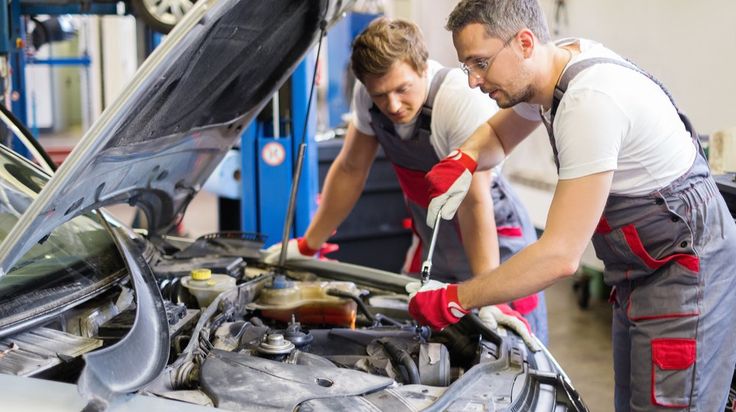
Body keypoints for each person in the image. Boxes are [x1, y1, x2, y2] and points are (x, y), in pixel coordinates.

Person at [406, 0, 736, 410]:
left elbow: (559, 256)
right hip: (641, 270)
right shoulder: (551, 66)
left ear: (524, 42)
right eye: (466, 67)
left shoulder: (588, 103)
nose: (473, 81)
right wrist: (466, 157)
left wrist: (458, 297)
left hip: (685, 273)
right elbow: (500, 135)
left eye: (480, 63)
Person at [264, 17, 548, 343]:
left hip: (493, 238)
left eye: (402, 89)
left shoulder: (456, 102)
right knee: (414, 334)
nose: (393, 105)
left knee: (511, 347)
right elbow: (351, 169)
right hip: (433, 236)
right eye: (381, 95)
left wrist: (489, 292)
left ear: (422, 67)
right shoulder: (369, 95)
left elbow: (474, 201)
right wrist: (309, 244)